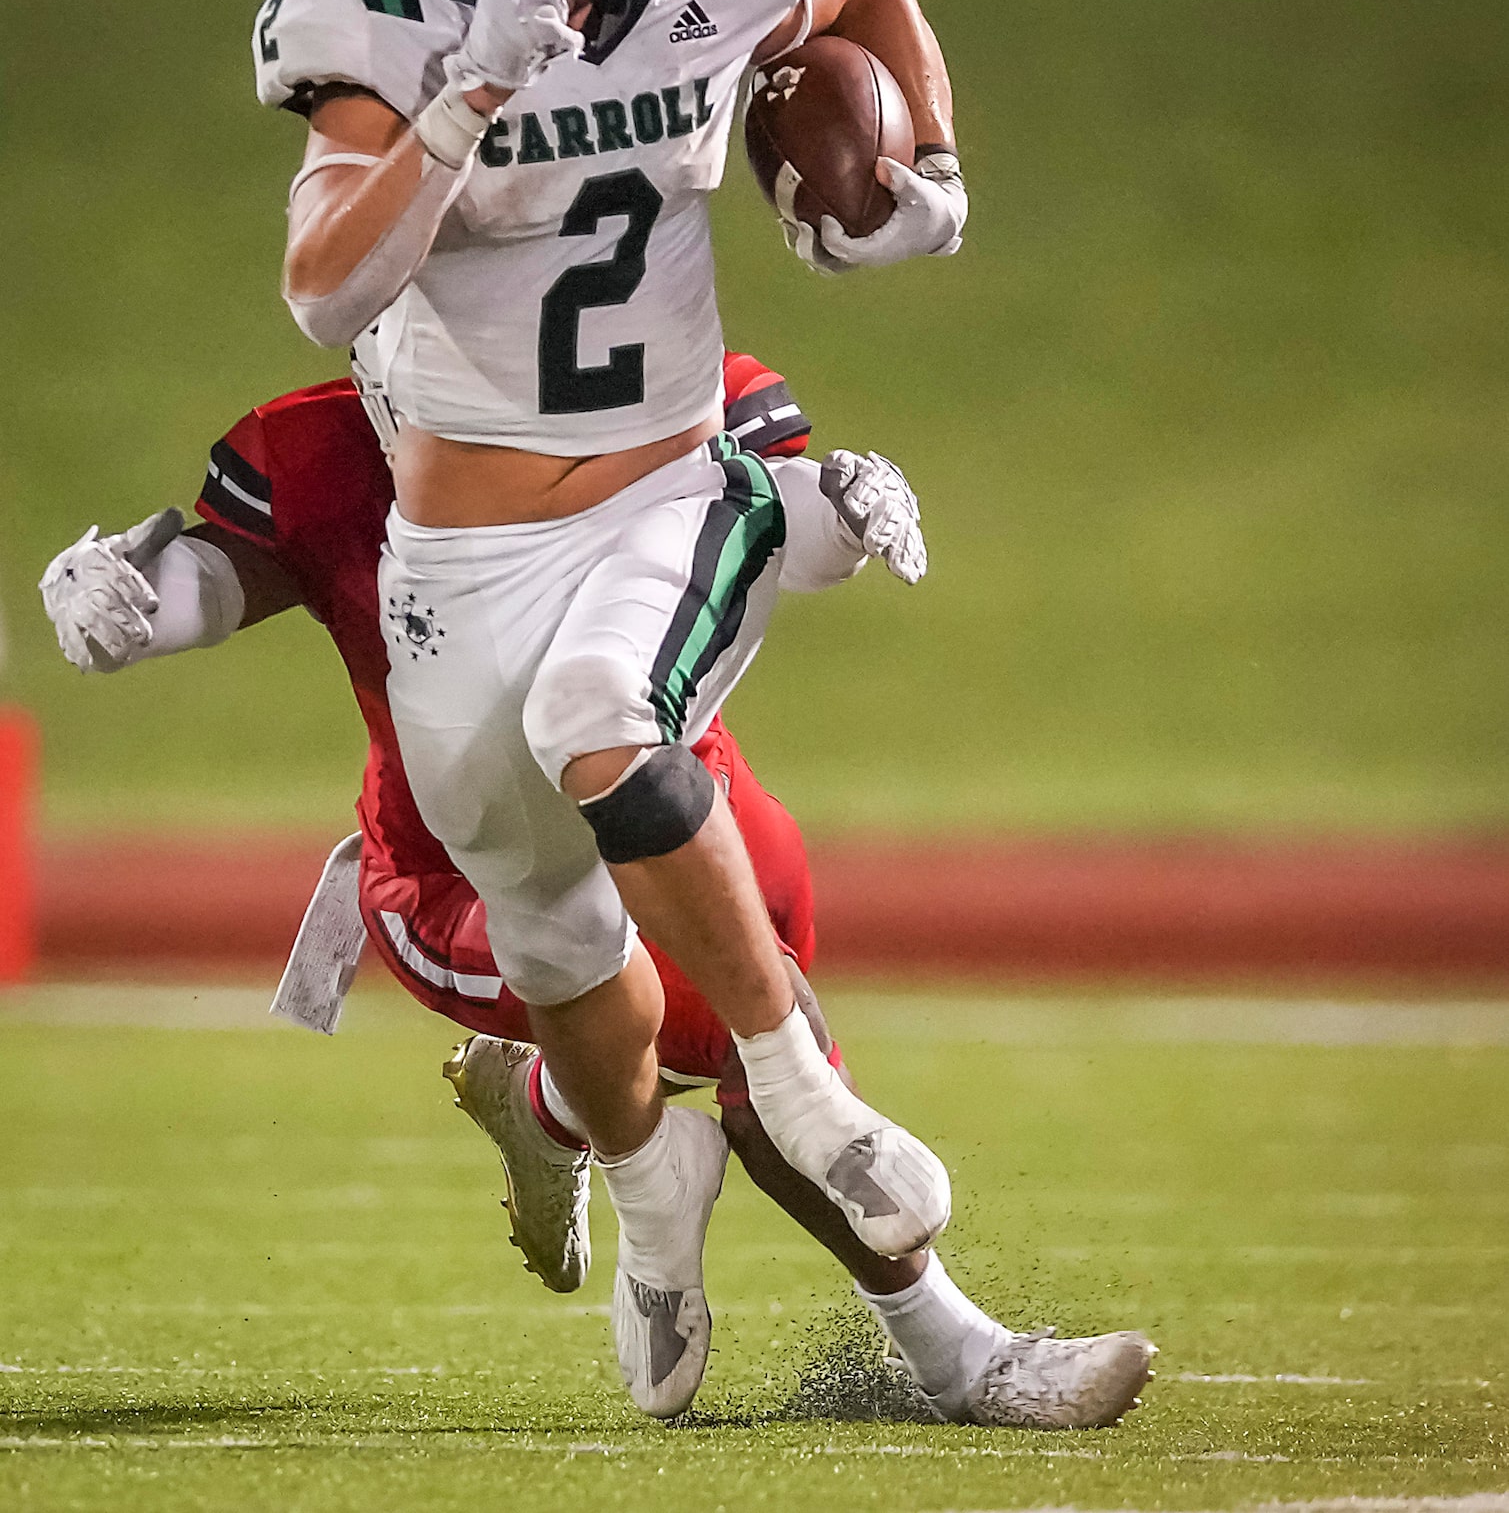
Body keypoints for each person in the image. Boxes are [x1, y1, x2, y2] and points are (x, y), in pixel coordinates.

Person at [253, 0, 971, 1413]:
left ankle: (805, 1096)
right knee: (566, 960)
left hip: (661, 483)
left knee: (604, 709)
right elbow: (325, 287)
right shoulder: (374, 22)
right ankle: (653, 1223)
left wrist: (924, 163)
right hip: (453, 561)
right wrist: (465, 98)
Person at [40, 357, 1155, 1430]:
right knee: (725, 1032)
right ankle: (955, 1355)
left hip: (678, 783)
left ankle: (552, 1109)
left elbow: (764, 510)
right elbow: (230, 567)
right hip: (465, 858)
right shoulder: (327, 444)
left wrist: (839, 503)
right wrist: (142, 602)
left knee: (770, 1048)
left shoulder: (644, 368)